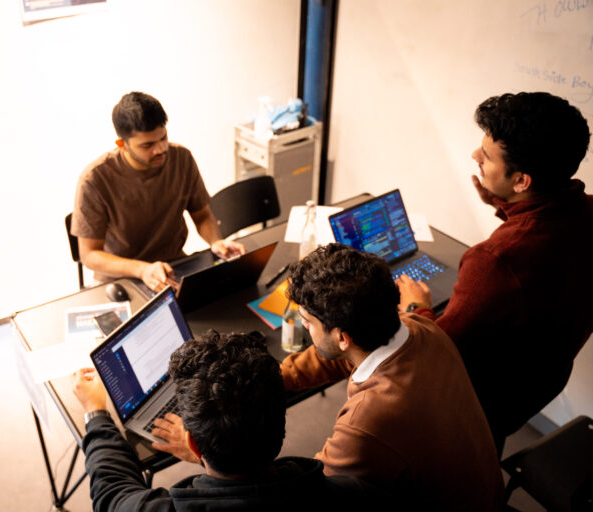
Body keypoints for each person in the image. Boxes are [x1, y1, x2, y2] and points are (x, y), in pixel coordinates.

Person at [397, 91, 593, 454]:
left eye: (486, 156)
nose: (475, 156)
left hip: (477, 401)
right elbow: (541, 247)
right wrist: (508, 207)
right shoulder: (586, 212)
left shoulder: (493, 261)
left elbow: (437, 353)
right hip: (536, 381)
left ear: (522, 181)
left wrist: (415, 308)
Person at [277, 244, 503, 510]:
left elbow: (314, 490)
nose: (303, 325)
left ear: (342, 337)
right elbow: (341, 354)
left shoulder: (366, 421)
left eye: (307, 320)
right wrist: (276, 377)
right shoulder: (419, 326)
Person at [72, 331, 382, 511]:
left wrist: (96, 412)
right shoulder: (356, 494)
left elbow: (111, 493)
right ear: (280, 420)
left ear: (193, 445)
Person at [70, 91, 244, 292]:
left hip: (174, 266)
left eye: (163, 138)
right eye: (148, 145)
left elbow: (202, 215)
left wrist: (216, 242)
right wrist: (142, 270)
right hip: (122, 279)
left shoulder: (182, 159)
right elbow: (89, 255)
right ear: (122, 144)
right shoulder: (94, 180)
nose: (160, 149)